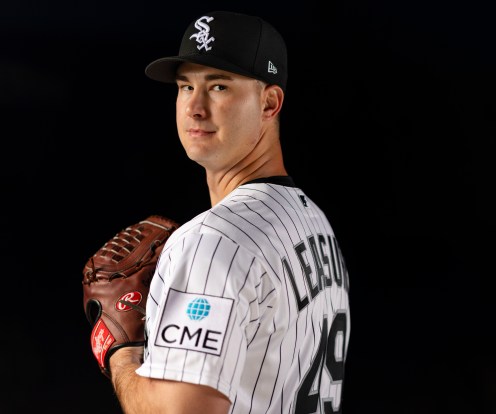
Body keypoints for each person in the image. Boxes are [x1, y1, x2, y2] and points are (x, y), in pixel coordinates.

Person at [108, 10, 351, 414]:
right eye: (186, 87)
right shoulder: (314, 223)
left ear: (270, 102)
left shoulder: (211, 242)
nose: (195, 108)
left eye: (218, 86)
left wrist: (122, 355)